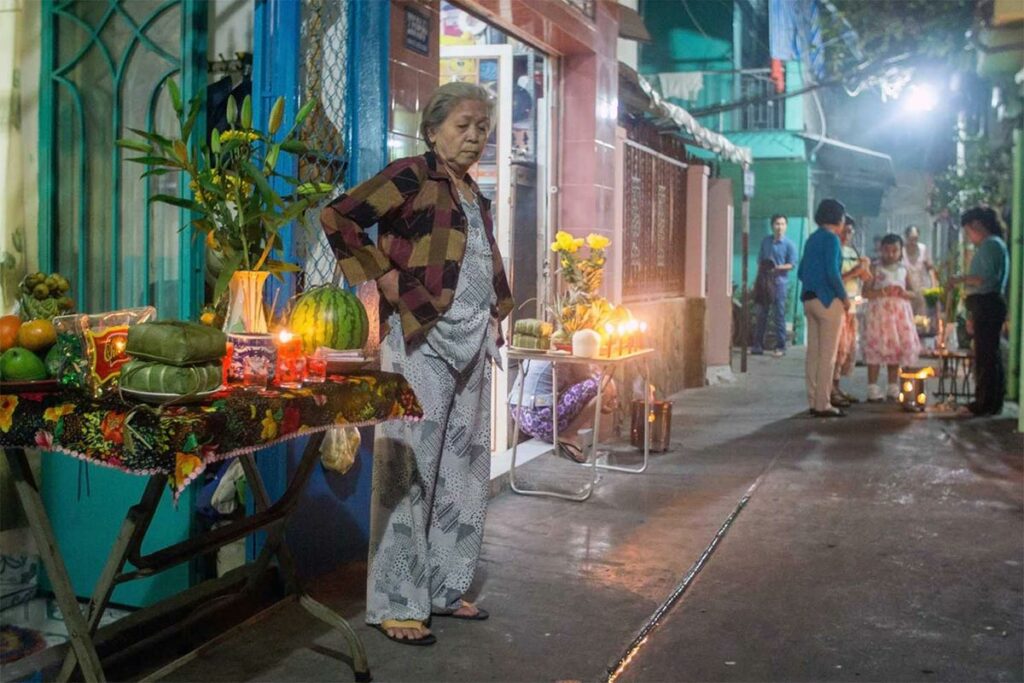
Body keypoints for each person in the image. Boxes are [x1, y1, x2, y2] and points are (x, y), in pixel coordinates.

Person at [320, 82, 514, 646]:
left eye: (483, 126)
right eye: (464, 125)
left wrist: (497, 311)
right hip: (420, 337)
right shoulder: (411, 174)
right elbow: (339, 218)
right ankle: (398, 601)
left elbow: (479, 261)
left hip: (474, 338)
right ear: (432, 131)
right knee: (409, 467)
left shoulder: (472, 192)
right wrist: (383, 277)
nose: (475, 136)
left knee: (464, 468)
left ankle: (443, 589)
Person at [949, 207, 1010, 416]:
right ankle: (991, 402)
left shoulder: (990, 245)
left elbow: (981, 278)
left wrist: (958, 279)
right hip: (987, 304)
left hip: (986, 303)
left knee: (985, 357)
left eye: (968, 231)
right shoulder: (996, 244)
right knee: (989, 355)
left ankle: (984, 402)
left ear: (977, 226)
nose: (969, 237)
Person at [797, 199, 850, 417]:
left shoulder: (811, 239)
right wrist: (844, 297)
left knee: (813, 354)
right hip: (828, 301)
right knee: (828, 355)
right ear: (839, 219)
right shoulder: (832, 240)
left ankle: (812, 400)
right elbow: (832, 272)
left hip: (809, 299)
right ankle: (823, 403)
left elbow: (801, 272)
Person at [508, 360, 618, 462]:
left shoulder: (542, 346)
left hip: (519, 414)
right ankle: (567, 435)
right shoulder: (571, 349)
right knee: (604, 386)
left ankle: (562, 435)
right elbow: (590, 376)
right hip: (541, 420)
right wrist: (607, 397)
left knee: (585, 386)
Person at [863, 234, 921, 402]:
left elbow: (914, 292)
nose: (890, 254)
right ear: (881, 250)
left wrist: (904, 293)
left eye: (894, 250)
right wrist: (882, 292)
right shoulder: (875, 268)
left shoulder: (904, 269)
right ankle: (872, 386)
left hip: (899, 315)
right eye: (887, 250)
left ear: (900, 251)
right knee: (876, 347)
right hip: (879, 315)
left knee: (895, 348)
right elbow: (865, 292)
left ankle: (892, 385)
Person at [831, 216, 871, 406]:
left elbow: (865, 278)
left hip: (853, 305)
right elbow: (836, 277)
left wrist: (864, 270)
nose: (847, 235)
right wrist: (855, 271)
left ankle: (836, 387)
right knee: (837, 348)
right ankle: (829, 388)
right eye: (844, 231)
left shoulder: (852, 251)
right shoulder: (834, 250)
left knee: (847, 349)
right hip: (838, 303)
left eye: (850, 232)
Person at [752, 214, 798, 357]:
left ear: (786, 226)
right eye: (777, 224)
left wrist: (777, 268)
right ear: (772, 225)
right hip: (765, 282)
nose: (780, 227)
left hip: (780, 284)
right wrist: (760, 278)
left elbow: (791, 265)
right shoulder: (766, 241)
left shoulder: (789, 244)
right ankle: (757, 346)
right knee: (761, 314)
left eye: (783, 224)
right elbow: (760, 261)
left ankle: (781, 347)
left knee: (779, 315)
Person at [902, 225, 937, 315]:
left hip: (922, 289)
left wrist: (933, 285)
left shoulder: (922, 249)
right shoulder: (901, 251)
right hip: (906, 291)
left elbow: (930, 268)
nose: (913, 241)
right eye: (911, 239)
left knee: (921, 318)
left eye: (916, 238)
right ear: (906, 238)